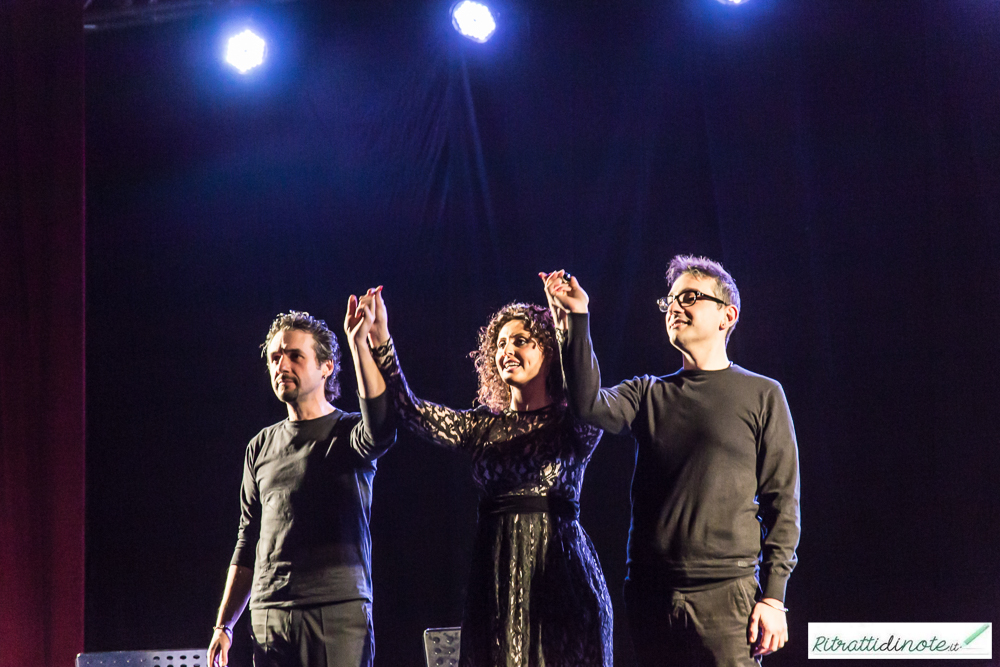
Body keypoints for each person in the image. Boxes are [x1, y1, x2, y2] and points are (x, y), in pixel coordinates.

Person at [541, 256, 800, 667]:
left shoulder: (763, 395)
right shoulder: (647, 393)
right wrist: (576, 318)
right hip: (651, 594)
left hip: (727, 595)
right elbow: (588, 405)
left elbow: (783, 504)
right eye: (671, 300)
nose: (675, 307)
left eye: (691, 297)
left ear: (727, 315)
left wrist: (773, 596)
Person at [364, 287, 613, 667]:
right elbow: (411, 412)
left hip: (558, 576)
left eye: (521, 341)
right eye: (499, 344)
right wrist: (381, 340)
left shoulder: (573, 424)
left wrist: (574, 326)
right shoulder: (481, 425)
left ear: (549, 352)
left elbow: (588, 392)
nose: (506, 351)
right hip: (497, 577)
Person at [208, 298, 395, 667]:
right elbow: (248, 540)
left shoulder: (348, 432)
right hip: (269, 616)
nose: (282, 365)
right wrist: (224, 625)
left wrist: (360, 346)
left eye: (295, 356)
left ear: (327, 367)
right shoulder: (259, 447)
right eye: (275, 358)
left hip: (335, 613)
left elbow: (383, 428)